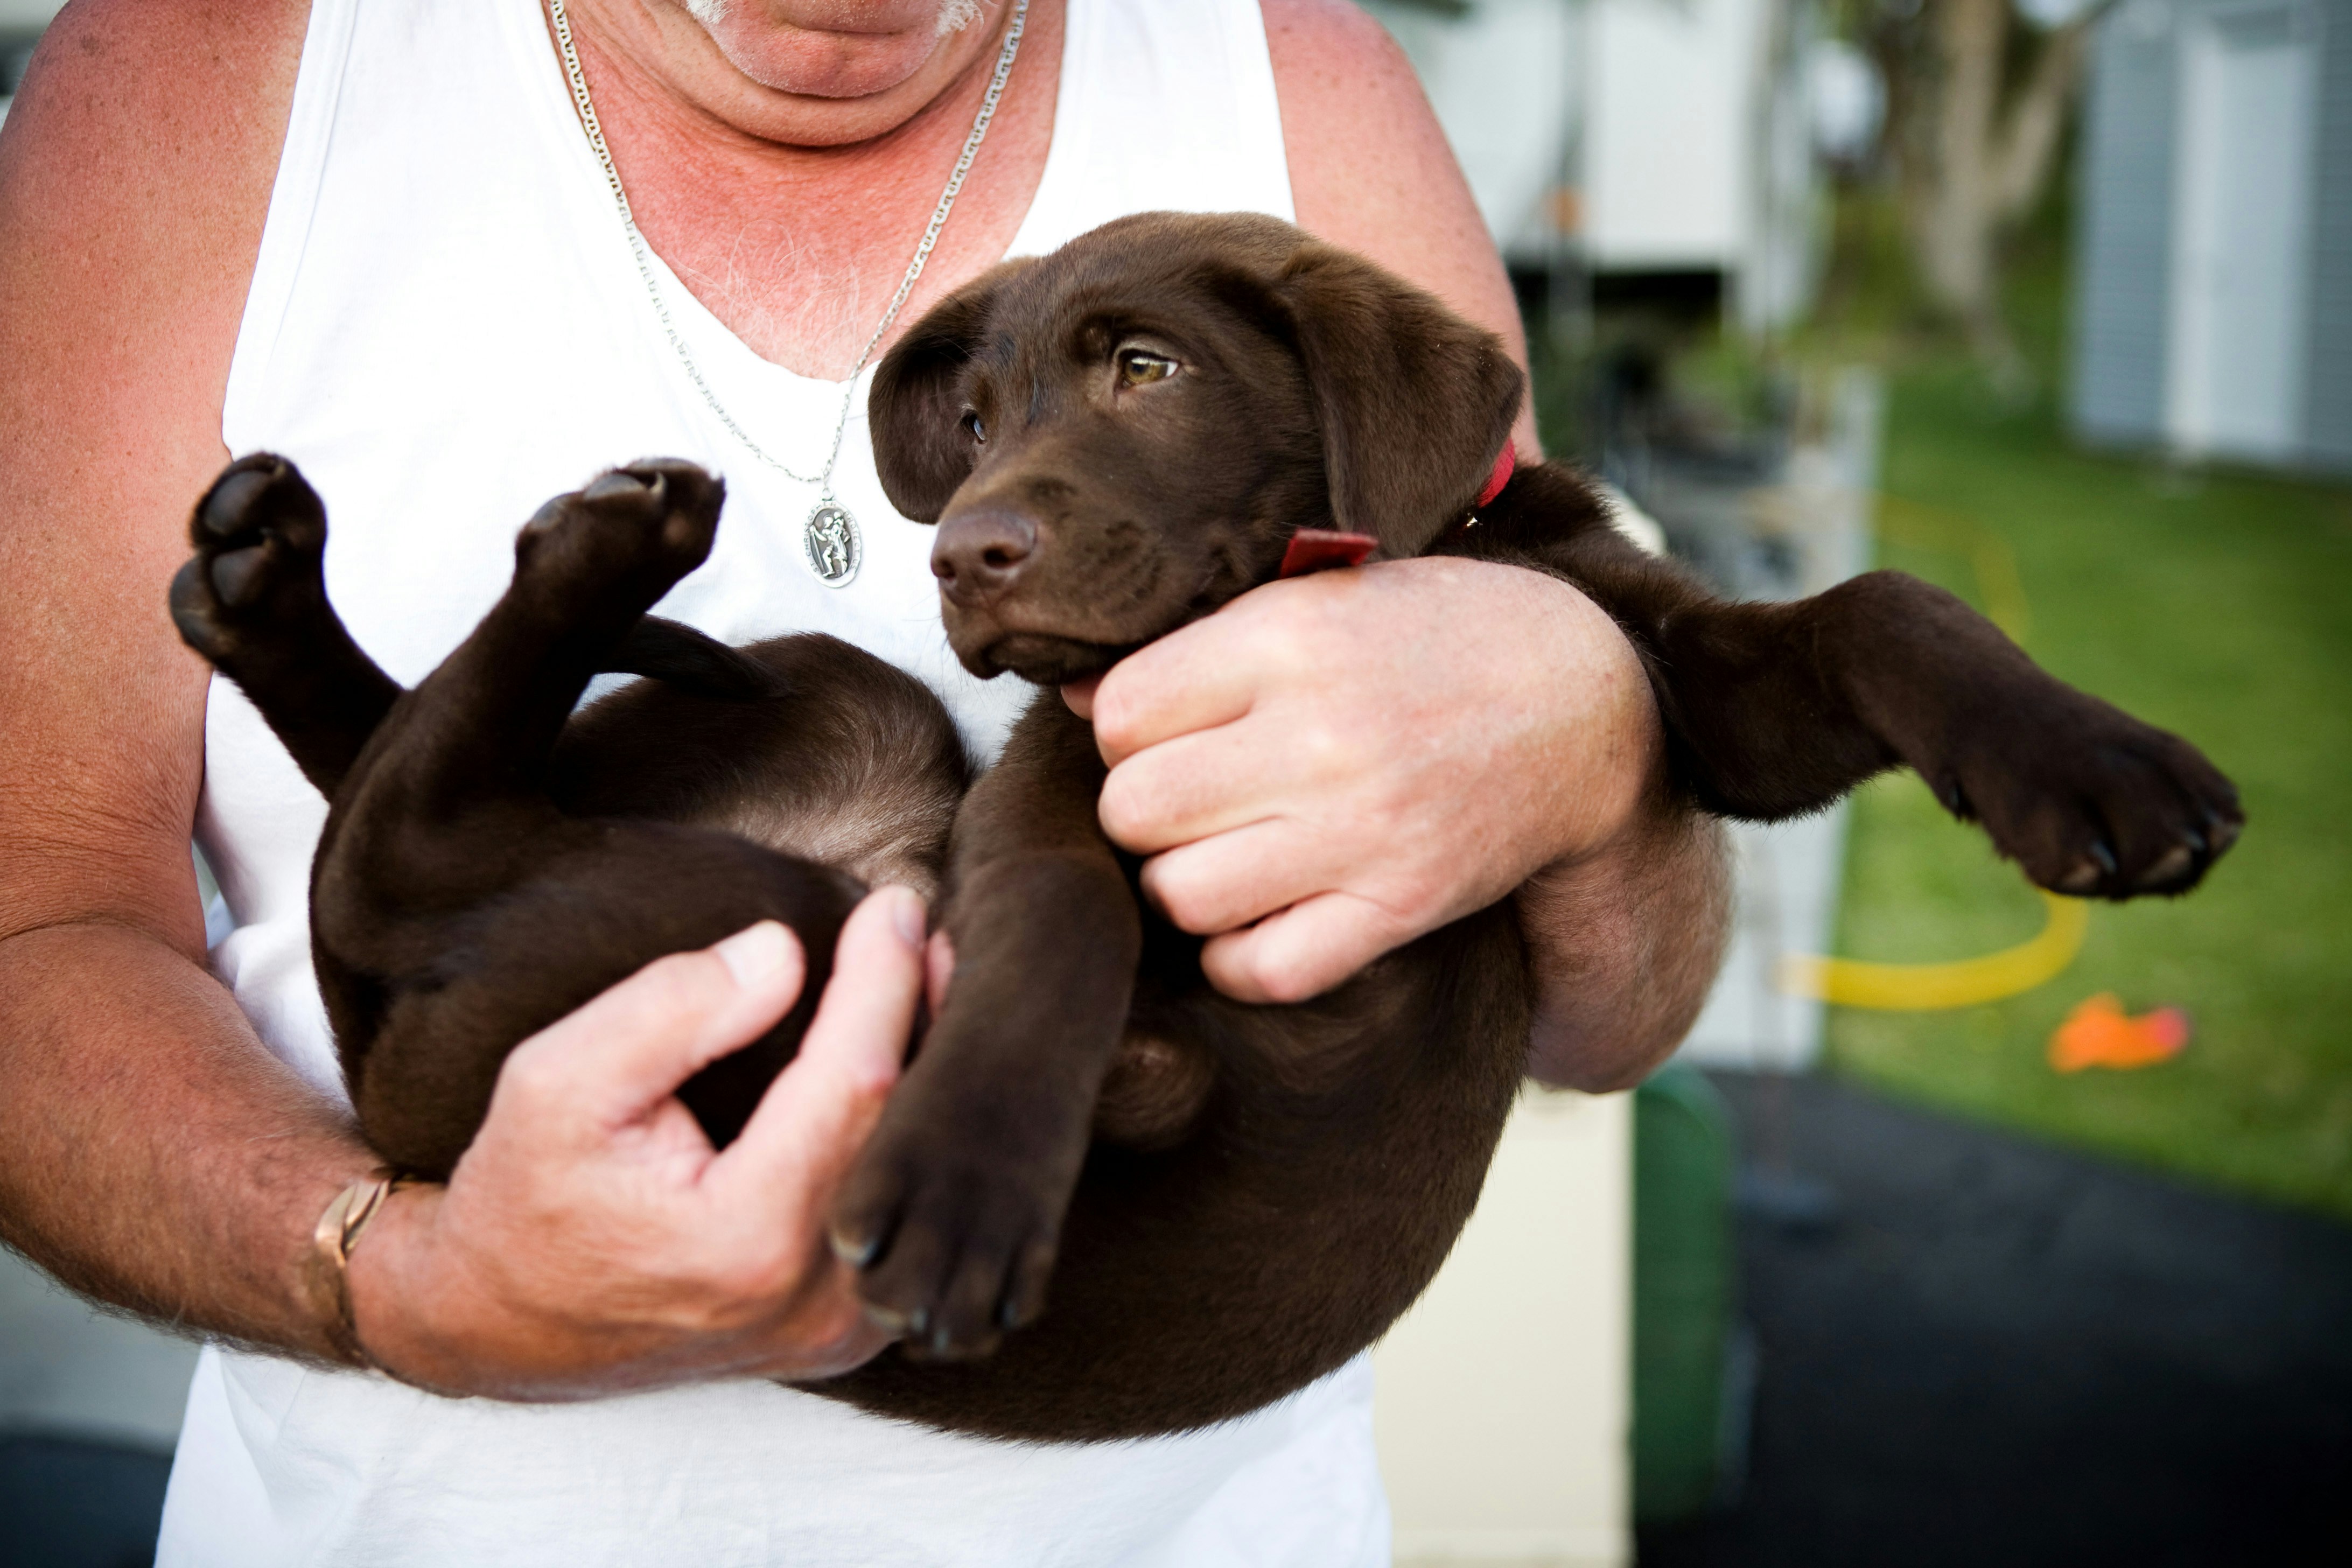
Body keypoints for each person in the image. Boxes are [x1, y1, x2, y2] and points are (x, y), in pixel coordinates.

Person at [0, 0, 1728, 1560]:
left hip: (1204, 1471)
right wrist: (384, 1269)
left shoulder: (1294, 83)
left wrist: (1598, 733)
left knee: (826, 760)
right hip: (405, 1517)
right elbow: (32, 921)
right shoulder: (197, 80)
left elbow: (1615, 1020)